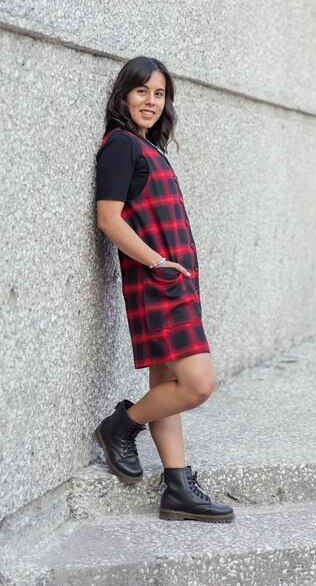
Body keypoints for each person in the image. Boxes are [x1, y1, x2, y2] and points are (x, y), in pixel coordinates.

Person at [93, 55, 234, 523]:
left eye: (159, 94)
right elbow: (109, 220)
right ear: (123, 96)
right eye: (142, 92)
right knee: (197, 385)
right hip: (157, 283)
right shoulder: (120, 147)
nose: (151, 101)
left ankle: (177, 486)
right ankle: (120, 426)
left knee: (170, 385)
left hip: (174, 283)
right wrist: (158, 263)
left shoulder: (149, 148)